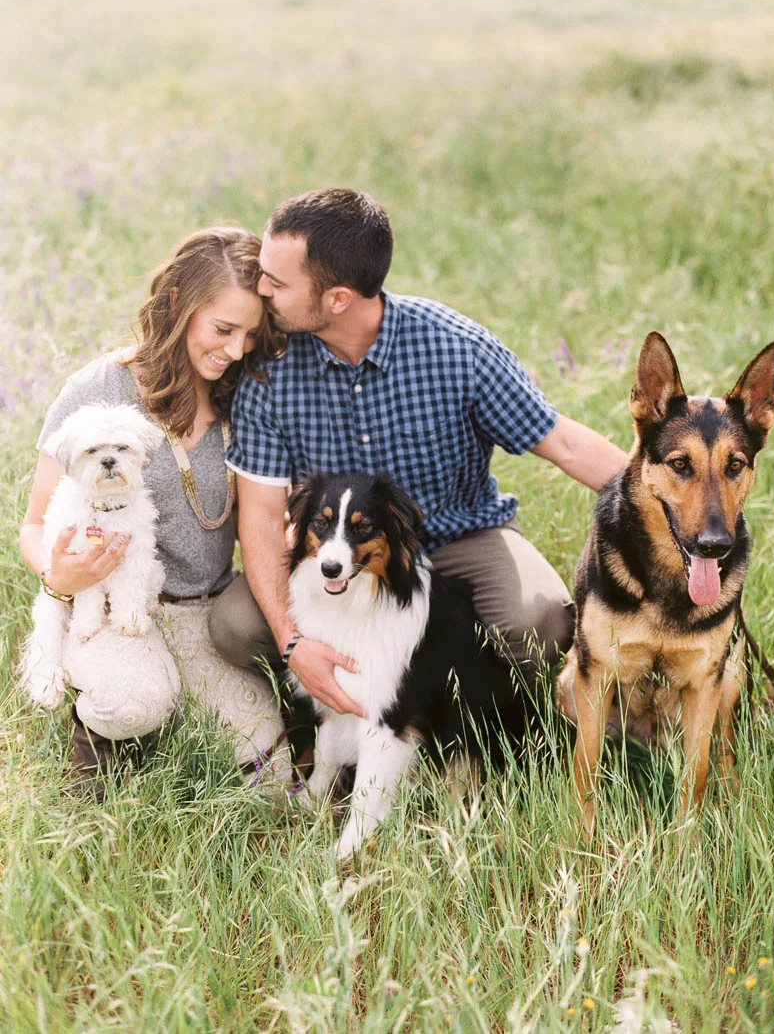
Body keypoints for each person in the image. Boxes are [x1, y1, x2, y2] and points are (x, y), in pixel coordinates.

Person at [210, 188, 628, 718]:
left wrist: (677, 514)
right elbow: (264, 515)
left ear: (337, 298)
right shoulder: (270, 369)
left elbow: (564, 443)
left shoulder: (455, 348)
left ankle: (483, 727)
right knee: (236, 626)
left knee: (539, 620)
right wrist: (292, 644)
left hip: (459, 534)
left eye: (276, 281)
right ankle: (317, 720)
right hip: (339, 550)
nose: (260, 288)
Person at [19, 226, 291, 791]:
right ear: (176, 303)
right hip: (111, 596)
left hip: (208, 610)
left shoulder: (247, 394)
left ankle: (187, 697)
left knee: (268, 774)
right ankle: (106, 739)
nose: (235, 349)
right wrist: (57, 576)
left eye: (249, 334)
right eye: (222, 329)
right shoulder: (99, 388)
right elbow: (36, 522)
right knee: (130, 704)